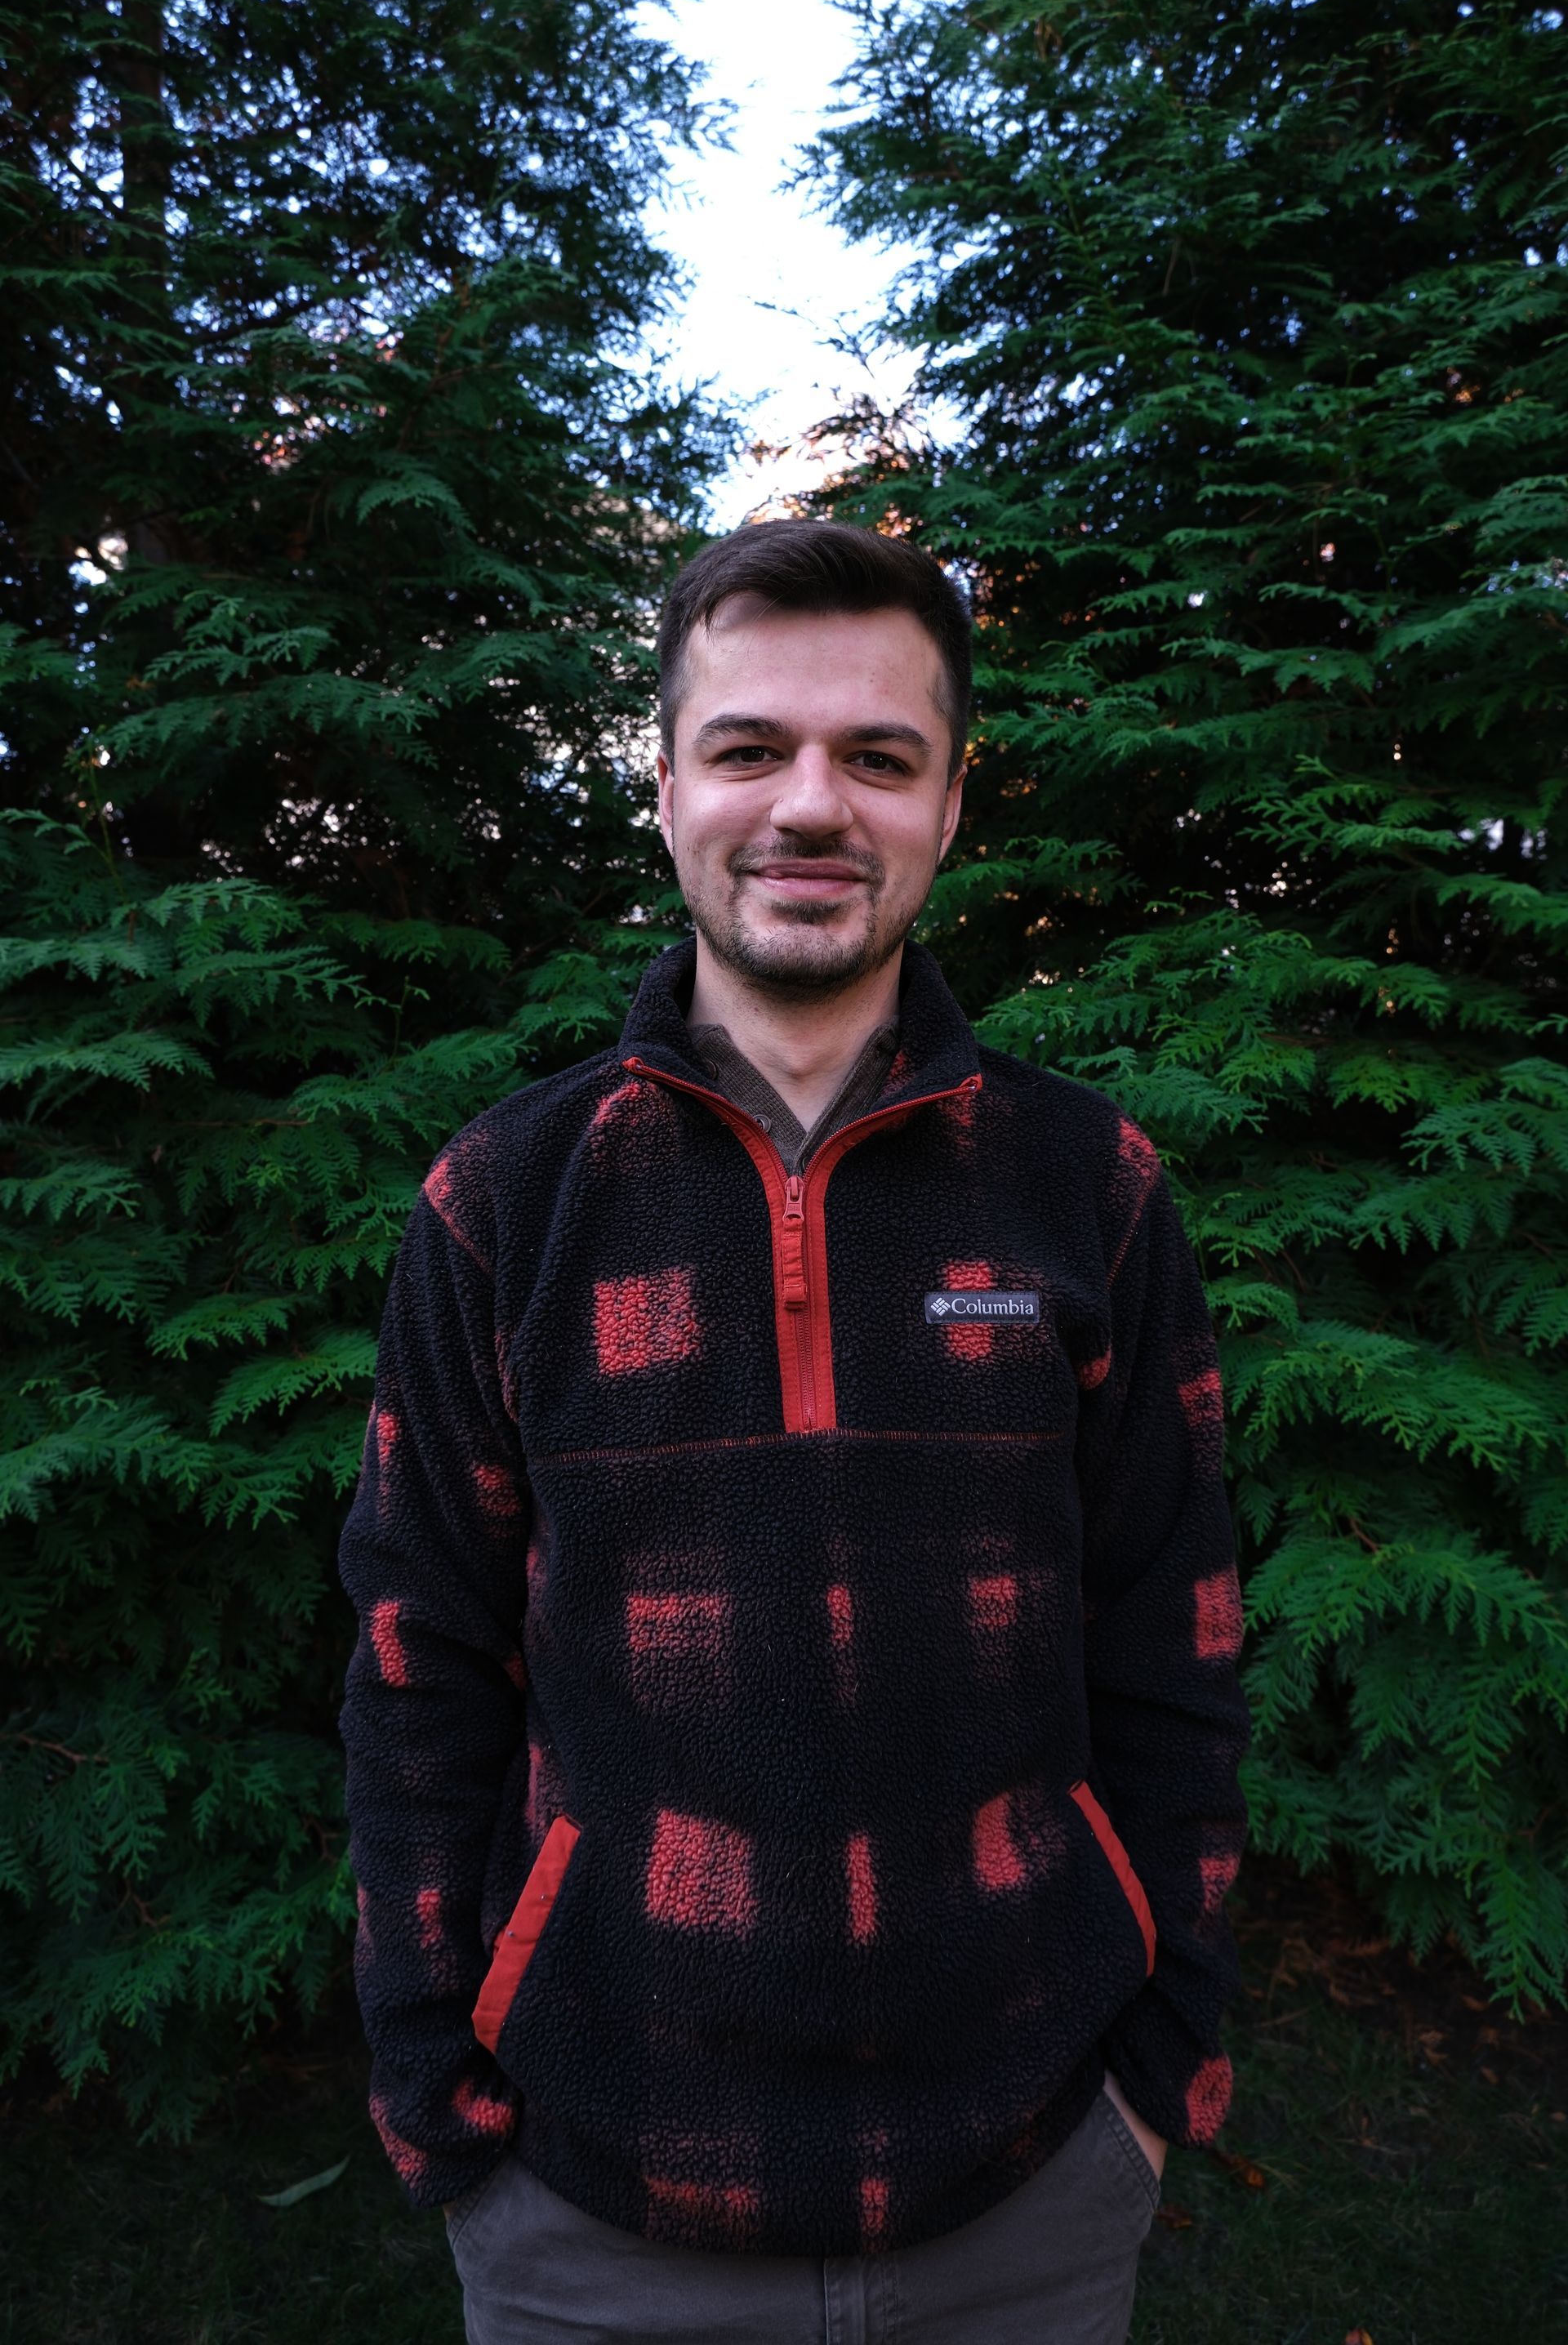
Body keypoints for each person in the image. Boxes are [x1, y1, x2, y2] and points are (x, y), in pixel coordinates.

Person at [337, 519, 1250, 2344]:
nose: (812, 804)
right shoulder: (503, 1204)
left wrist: (1164, 2070)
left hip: (1034, 2184)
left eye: (879, 757)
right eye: (751, 747)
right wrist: (436, 2097)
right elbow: (414, 1666)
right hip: (595, 2205)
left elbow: (1180, 1646)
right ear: (667, 788)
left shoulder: (1097, 1189)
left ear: (948, 804)